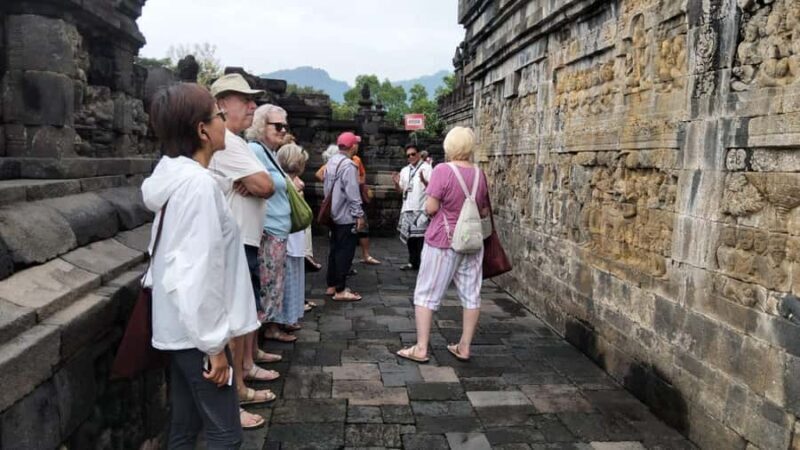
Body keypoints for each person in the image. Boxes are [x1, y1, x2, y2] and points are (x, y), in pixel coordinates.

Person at [142, 82, 261, 447]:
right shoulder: (197, 187)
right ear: (202, 130)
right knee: (226, 435)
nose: (224, 123)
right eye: (219, 116)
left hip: (181, 329)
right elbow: (196, 271)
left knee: (185, 426)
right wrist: (213, 347)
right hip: (197, 335)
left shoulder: (181, 180)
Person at [208, 74, 278, 429]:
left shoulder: (233, 141)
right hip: (229, 243)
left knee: (241, 320)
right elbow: (266, 184)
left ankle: (239, 387)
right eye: (244, 100)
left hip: (237, 240)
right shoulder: (229, 142)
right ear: (219, 106)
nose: (253, 106)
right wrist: (254, 179)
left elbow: (263, 184)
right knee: (233, 325)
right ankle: (231, 401)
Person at [396, 127, 490, 363]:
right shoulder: (480, 174)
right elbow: (484, 210)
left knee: (426, 293)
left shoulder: (442, 170)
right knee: (471, 294)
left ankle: (421, 348)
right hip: (471, 241)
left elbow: (431, 208)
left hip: (443, 240)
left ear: (450, 146)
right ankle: (464, 346)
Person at [244, 104, 298, 343]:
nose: (282, 130)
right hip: (268, 229)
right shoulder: (254, 150)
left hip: (277, 228)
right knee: (266, 284)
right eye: (277, 125)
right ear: (260, 125)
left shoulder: (270, 152)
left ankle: (267, 331)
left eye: (284, 126)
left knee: (274, 282)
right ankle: (261, 336)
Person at [323, 132, 366, 302]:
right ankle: (340, 289)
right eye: (356, 143)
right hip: (345, 215)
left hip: (333, 214)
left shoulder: (331, 162)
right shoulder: (349, 166)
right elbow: (353, 194)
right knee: (345, 252)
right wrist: (359, 215)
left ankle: (331, 285)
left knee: (334, 250)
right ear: (352, 146)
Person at [278, 143, 310, 328]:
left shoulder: (292, 180)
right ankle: (284, 319)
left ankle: (290, 317)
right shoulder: (286, 181)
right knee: (287, 278)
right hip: (288, 235)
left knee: (293, 276)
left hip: (294, 235)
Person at [392, 143, 432, 270]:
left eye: (413, 154)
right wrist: (396, 184)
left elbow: (433, 188)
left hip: (421, 208)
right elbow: (400, 190)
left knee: (420, 237)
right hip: (407, 207)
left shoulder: (427, 168)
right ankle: (412, 261)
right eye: (408, 155)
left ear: (419, 154)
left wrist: (424, 181)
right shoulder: (405, 170)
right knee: (409, 237)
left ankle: (421, 262)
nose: (411, 157)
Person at [352, 146, 381, 265]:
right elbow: (320, 174)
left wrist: (356, 182)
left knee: (363, 227)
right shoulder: (336, 161)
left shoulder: (356, 160)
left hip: (357, 199)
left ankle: (366, 255)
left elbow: (363, 177)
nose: (355, 147)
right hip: (344, 203)